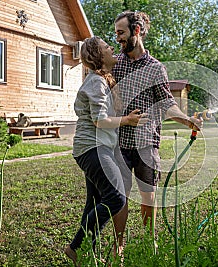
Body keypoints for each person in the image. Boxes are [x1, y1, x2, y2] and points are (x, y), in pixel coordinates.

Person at [112, 11, 203, 255]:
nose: (117, 38)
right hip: (118, 142)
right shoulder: (114, 62)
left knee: (148, 197)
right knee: (119, 197)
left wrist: (186, 120)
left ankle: (148, 240)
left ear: (137, 31)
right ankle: (118, 245)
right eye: (116, 33)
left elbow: (167, 103)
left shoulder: (155, 69)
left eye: (121, 33)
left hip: (145, 143)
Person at [64, 36, 148, 266]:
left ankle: (84, 253)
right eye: (105, 47)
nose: (111, 48)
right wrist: (127, 120)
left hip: (95, 148)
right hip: (93, 148)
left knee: (94, 201)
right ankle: (75, 247)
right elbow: (100, 120)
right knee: (116, 198)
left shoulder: (101, 80)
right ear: (98, 56)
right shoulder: (96, 82)